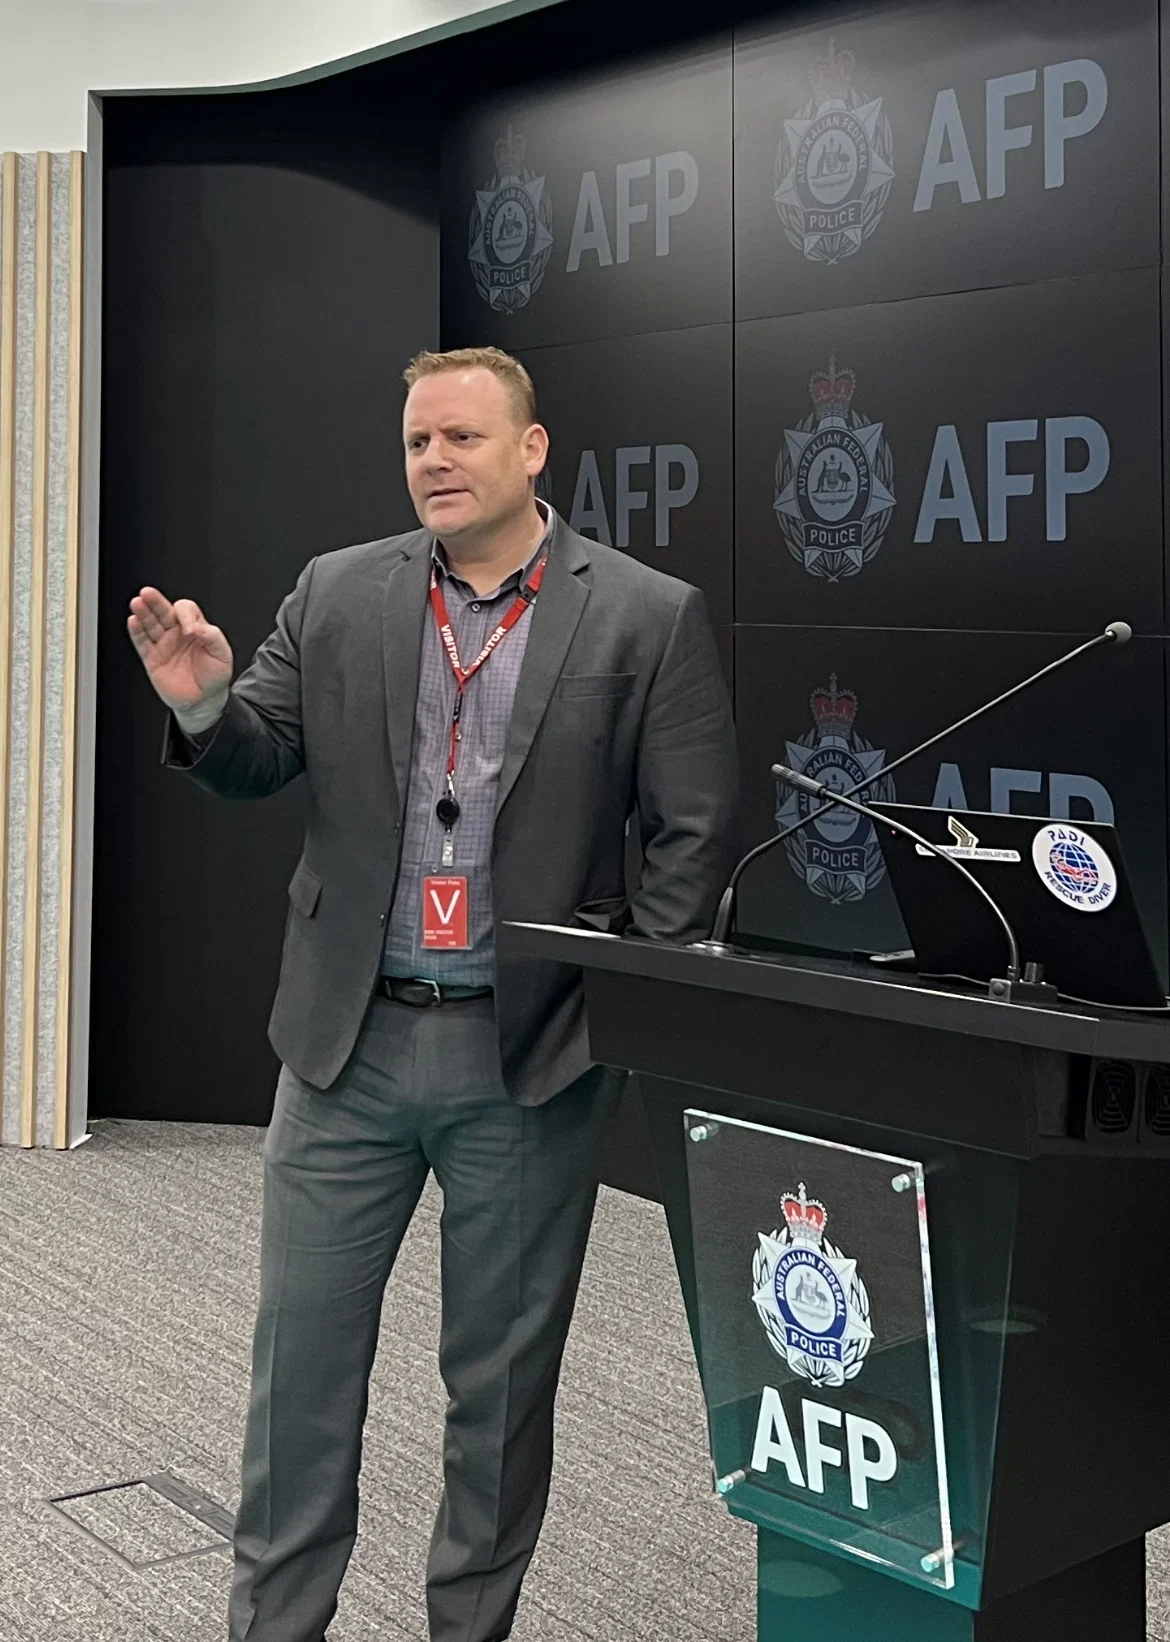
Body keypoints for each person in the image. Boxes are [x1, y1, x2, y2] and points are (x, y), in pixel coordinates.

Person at [126, 345, 739, 1642]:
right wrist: (201, 703)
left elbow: (690, 837)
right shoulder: (340, 592)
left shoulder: (642, 614)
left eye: (461, 437)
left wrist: (611, 1017)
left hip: (527, 1064)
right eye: (416, 442)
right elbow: (255, 761)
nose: (433, 462)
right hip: (344, 1048)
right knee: (298, 1377)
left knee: (498, 1396)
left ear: (531, 449)